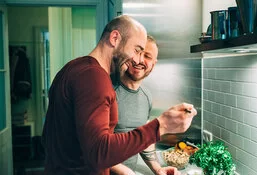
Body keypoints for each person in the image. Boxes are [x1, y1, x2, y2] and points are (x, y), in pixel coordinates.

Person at [42, 15, 197, 175]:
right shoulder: (94, 78)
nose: (136, 59)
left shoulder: (73, 68)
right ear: (115, 38)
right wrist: (161, 125)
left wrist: (156, 167)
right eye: (136, 50)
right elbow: (99, 153)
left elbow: (47, 136)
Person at [110, 35, 179, 175]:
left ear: (154, 63)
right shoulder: (107, 90)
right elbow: (93, 146)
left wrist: (157, 168)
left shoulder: (146, 96)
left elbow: (144, 139)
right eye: (136, 53)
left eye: (147, 56)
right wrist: (125, 172)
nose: (140, 60)